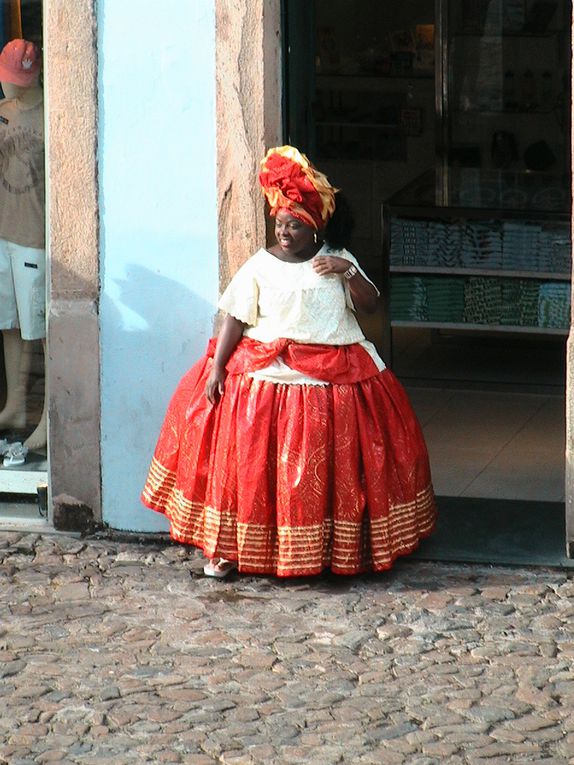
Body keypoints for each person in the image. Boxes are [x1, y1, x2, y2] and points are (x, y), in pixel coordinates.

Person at [142, 145, 436, 578]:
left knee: (327, 477)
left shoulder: (337, 262)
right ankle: (231, 549)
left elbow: (371, 306)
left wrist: (346, 271)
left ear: (316, 230)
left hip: (333, 378)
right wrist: (218, 367)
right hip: (263, 380)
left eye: (294, 226)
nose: (284, 233)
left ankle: (327, 552)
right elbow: (235, 317)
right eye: (280, 224)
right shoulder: (260, 266)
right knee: (250, 473)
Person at [0, 39, 46, 453]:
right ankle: (15, 405)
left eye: (18, 80)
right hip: (2, 233)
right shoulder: (2, 113)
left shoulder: (52, 114)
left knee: (42, 331)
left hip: (35, 236)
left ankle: (47, 418)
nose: (11, 87)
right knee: (9, 322)